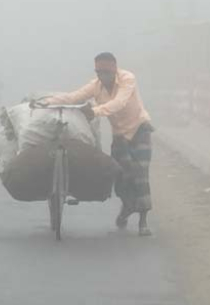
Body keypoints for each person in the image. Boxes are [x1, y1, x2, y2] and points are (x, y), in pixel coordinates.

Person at [42, 52, 155, 236]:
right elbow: (73, 97)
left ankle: (143, 221)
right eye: (99, 73)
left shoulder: (128, 79)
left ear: (114, 70)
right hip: (119, 134)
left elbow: (119, 103)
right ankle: (128, 206)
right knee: (119, 175)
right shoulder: (96, 86)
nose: (103, 77)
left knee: (140, 173)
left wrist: (95, 111)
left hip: (139, 129)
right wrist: (46, 103)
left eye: (106, 73)